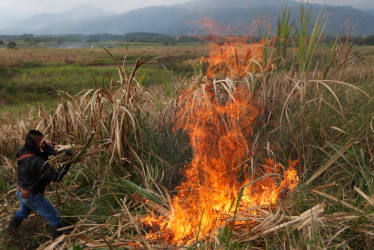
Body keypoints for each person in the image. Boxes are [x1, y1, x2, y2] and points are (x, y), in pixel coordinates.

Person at [6, 130, 73, 240]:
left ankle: (8, 235)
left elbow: (42, 150)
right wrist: (68, 162)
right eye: (42, 142)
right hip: (31, 196)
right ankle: (58, 245)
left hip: (21, 192)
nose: (44, 144)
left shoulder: (24, 149)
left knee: (23, 212)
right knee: (55, 218)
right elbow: (56, 177)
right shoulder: (36, 162)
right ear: (34, 144)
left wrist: (50, 148)